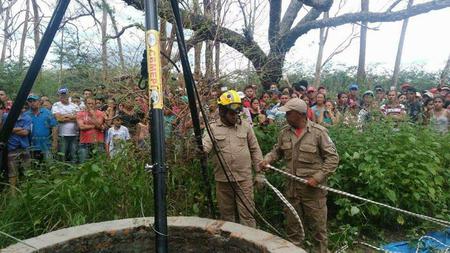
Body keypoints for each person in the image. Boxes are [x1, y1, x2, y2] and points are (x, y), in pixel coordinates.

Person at [259, 98, 339, 252]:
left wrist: (318, 177)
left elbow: (333, 158)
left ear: (300, 115)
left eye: (289, 113)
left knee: (318, 233)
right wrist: (267, 159)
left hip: (313, 194)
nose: (286, 116)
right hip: (291, 191)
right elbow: (278, 151)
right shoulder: (284, 132)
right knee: (293, 232)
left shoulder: (318, 133)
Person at [202, 90, 264, 228]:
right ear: (222, 111)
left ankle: (248, 246)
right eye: (232, 113)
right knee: (227, 216)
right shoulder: (212, 128)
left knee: (247, 215)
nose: (236, 116)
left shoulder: (245, 126)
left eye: (237, 112)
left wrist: (260, 173)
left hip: (244, 179)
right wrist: (200, 150)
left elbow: (255, 149)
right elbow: (205, 145)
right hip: (223, 181)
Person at [1, 107, 32, 194]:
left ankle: (27, 191)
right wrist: (19, 129)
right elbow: (3, 129)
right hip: (12, 148)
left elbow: (25, 132)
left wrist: (10, 129)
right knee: (12, 173)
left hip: (24, 148)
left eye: (23, 106)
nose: (22, 108)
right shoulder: (6, 116)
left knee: (27, 171)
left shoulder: (27, 117)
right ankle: (13, 194)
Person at [25, 94, 58, 161]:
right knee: (34, 167)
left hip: (46, 145)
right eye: (30, 101)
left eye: (34, 101)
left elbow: (54, 127)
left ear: (39, 101)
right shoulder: (26, 115)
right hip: (32, 146)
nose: (32, 103)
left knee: (48, 166)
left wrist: (55, 142)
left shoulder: (47, 113)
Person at [52, 87, 80, 163]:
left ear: (68, 95)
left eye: (65, 94)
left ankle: (73, 171)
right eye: (62, 95)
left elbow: (78, 117)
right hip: (62, 134)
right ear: (59, 96)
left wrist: (65, 116)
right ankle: (62, 171)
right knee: (62, 155)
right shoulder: (56, 105)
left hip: (74, 134)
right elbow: (59, 119)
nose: (64, 96)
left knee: (74, 154)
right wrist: (72, 116)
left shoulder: (74, 105)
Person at [76, 97, 105, 162]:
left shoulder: (100, 113)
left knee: (99, 164)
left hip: (98, 142)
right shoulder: (80, 113)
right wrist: (95, 126)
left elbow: (99, 125)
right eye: (89, 103)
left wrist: (93, 115)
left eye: (93, 103)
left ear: (95, 104)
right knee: (84, 164)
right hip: (84, 142)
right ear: (85, 104)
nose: (91, 105)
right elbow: (82, 127)